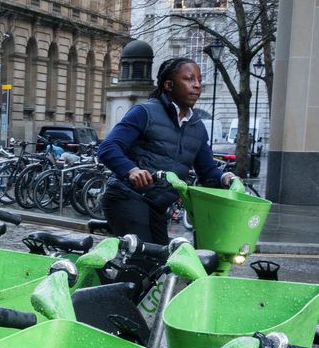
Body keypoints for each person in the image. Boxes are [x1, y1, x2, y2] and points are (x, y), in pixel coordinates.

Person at [96, 57, 239, 245]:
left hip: (158, 205)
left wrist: (225, 178)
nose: (197, 86)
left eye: (199, 80)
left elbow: (207, 172)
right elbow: (108, 148)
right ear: (169, 85)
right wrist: (132, 170)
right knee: (141, 262)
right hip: (127, 197)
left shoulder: (197, 126)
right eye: (189, 79)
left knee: (162, 264)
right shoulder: (145, 112)